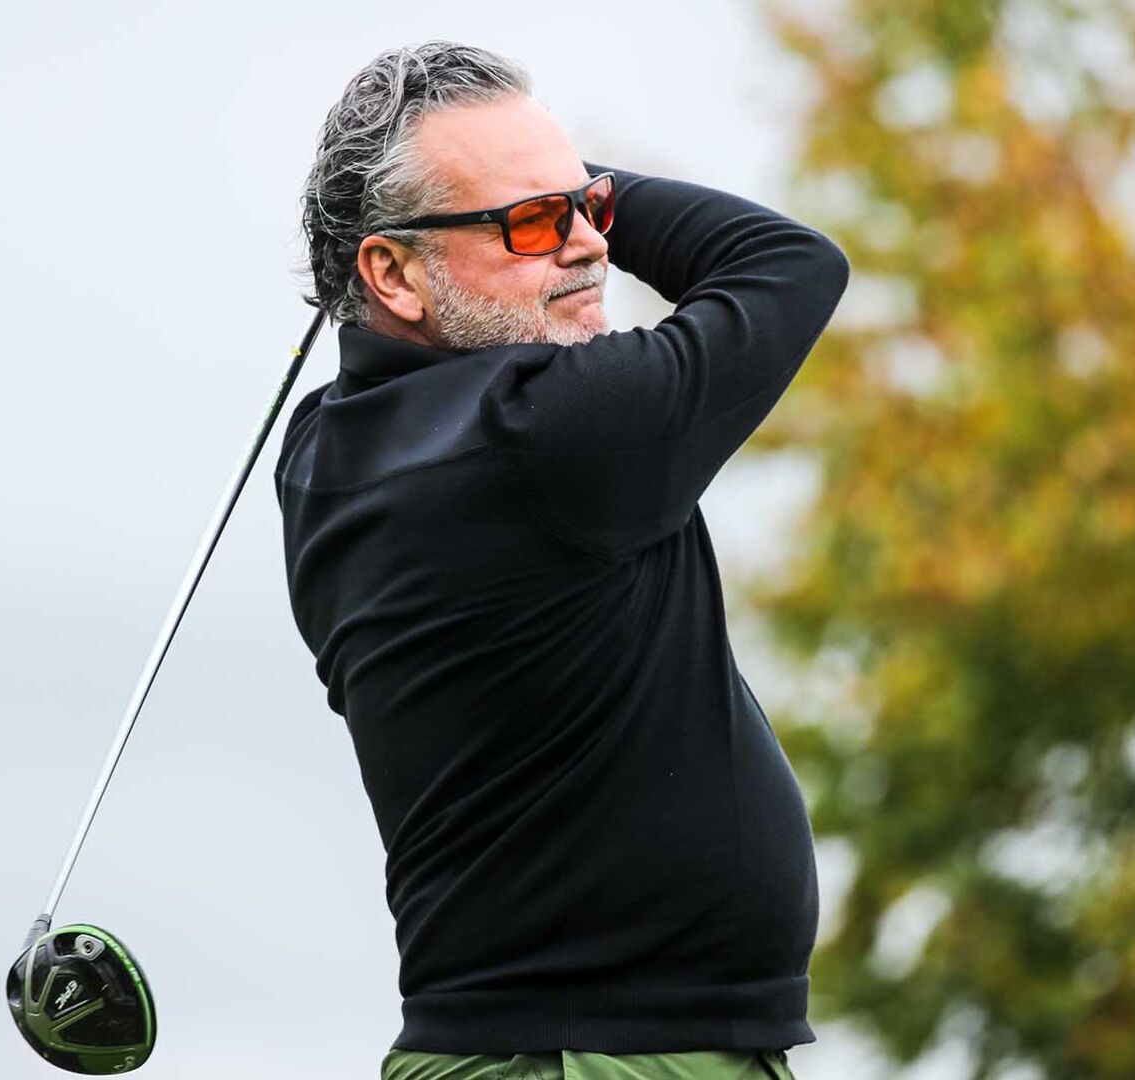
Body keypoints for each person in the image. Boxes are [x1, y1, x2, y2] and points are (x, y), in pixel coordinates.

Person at [274, 40, 850, 1080]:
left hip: (530, 1050)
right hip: (587, 1059)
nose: (589, 245)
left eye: (590, 204)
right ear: (391, 272)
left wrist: (531, 185)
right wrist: (586, 183)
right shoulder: (546, 434)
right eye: (534, 222)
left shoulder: (322, 451)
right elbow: (788, 262)